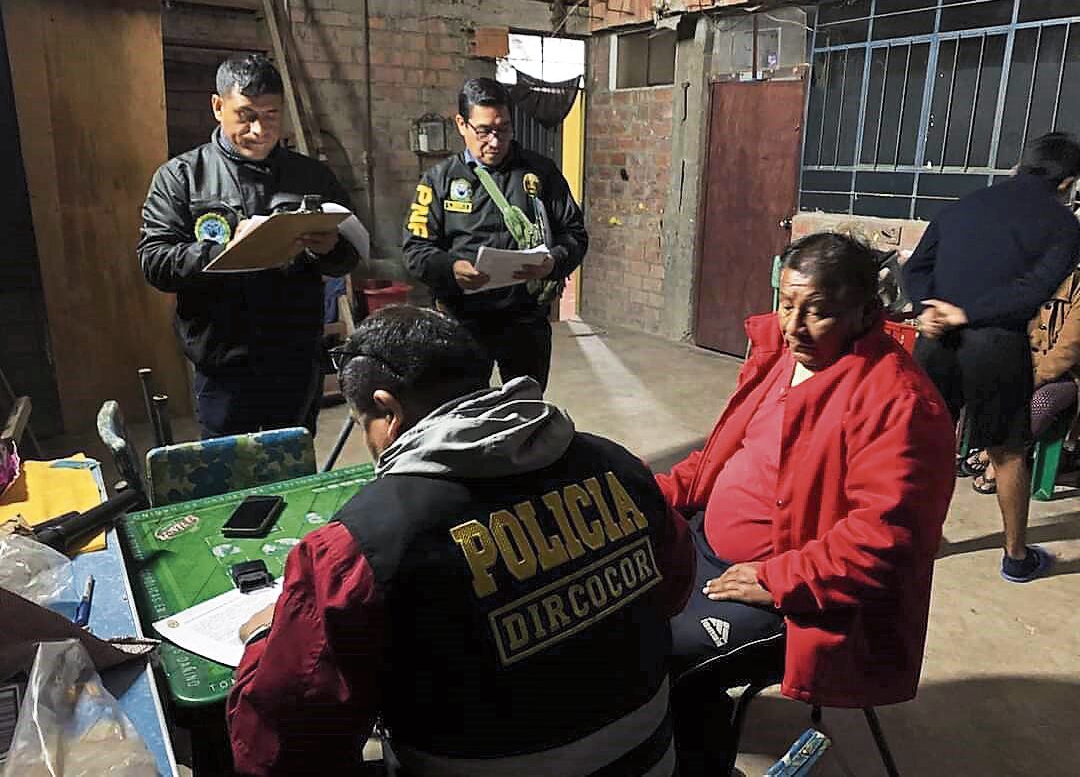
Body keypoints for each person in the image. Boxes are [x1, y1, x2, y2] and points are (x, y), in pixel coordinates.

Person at [227, 305, 694, 777]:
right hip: (651, 761)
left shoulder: (359, 549)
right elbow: (673, 589)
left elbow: (284, 746)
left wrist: (267, 636)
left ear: (387, 411)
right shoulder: (618, 465)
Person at [657, 233, 955, 773]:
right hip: (708, 543)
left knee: (664, 662)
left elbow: (883, 541)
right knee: (608, 607)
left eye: (818, 312)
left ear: (868, 311)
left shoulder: (898, 403)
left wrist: (779, 579)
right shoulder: (784, 356)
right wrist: (641, 492)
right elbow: (726, 455)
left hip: (800, 593)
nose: (793, 326)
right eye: (787, 304)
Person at [138, 53, 360, 438]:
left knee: (292, 472)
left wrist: (330, 248)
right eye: (245, 115)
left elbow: (350, 255)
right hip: (222, 362)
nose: (259, 129)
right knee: (228, 474)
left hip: (294, 358)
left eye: (271, 115)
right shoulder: (181, 178)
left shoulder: (311, 175)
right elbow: (154, 261)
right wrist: (220, 251)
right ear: (217, 106)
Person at [904, 132, 1080, 582]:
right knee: (1007, 452)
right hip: (996, 345)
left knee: (928, 446)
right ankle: (1016, 557)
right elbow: (1035, 290)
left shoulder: (964, 206)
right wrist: (969, 313)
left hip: (934, 339)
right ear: (1068, 183)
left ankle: (925, 543)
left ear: (1022, 166)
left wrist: (929, 308)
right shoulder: (1064, 226)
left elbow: (914, 268)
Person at [401, 78, 588, 392]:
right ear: (462, 124)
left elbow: (575, 233)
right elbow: (416, 248)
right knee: (464, 409)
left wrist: (553, 261)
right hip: (463, 321)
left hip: (525, 320)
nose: (495, 141)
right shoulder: (439, 180)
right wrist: (450, 270)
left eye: (503, 129)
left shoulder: (540, 172)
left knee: (526, 408)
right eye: (484, 131)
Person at [964, 266, 1080, 494]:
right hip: (1022, 362)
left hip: (1065, 375)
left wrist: (1031, 378)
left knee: (1040, 402)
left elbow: (1067, 351)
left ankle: (994, 459)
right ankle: (991, 449)